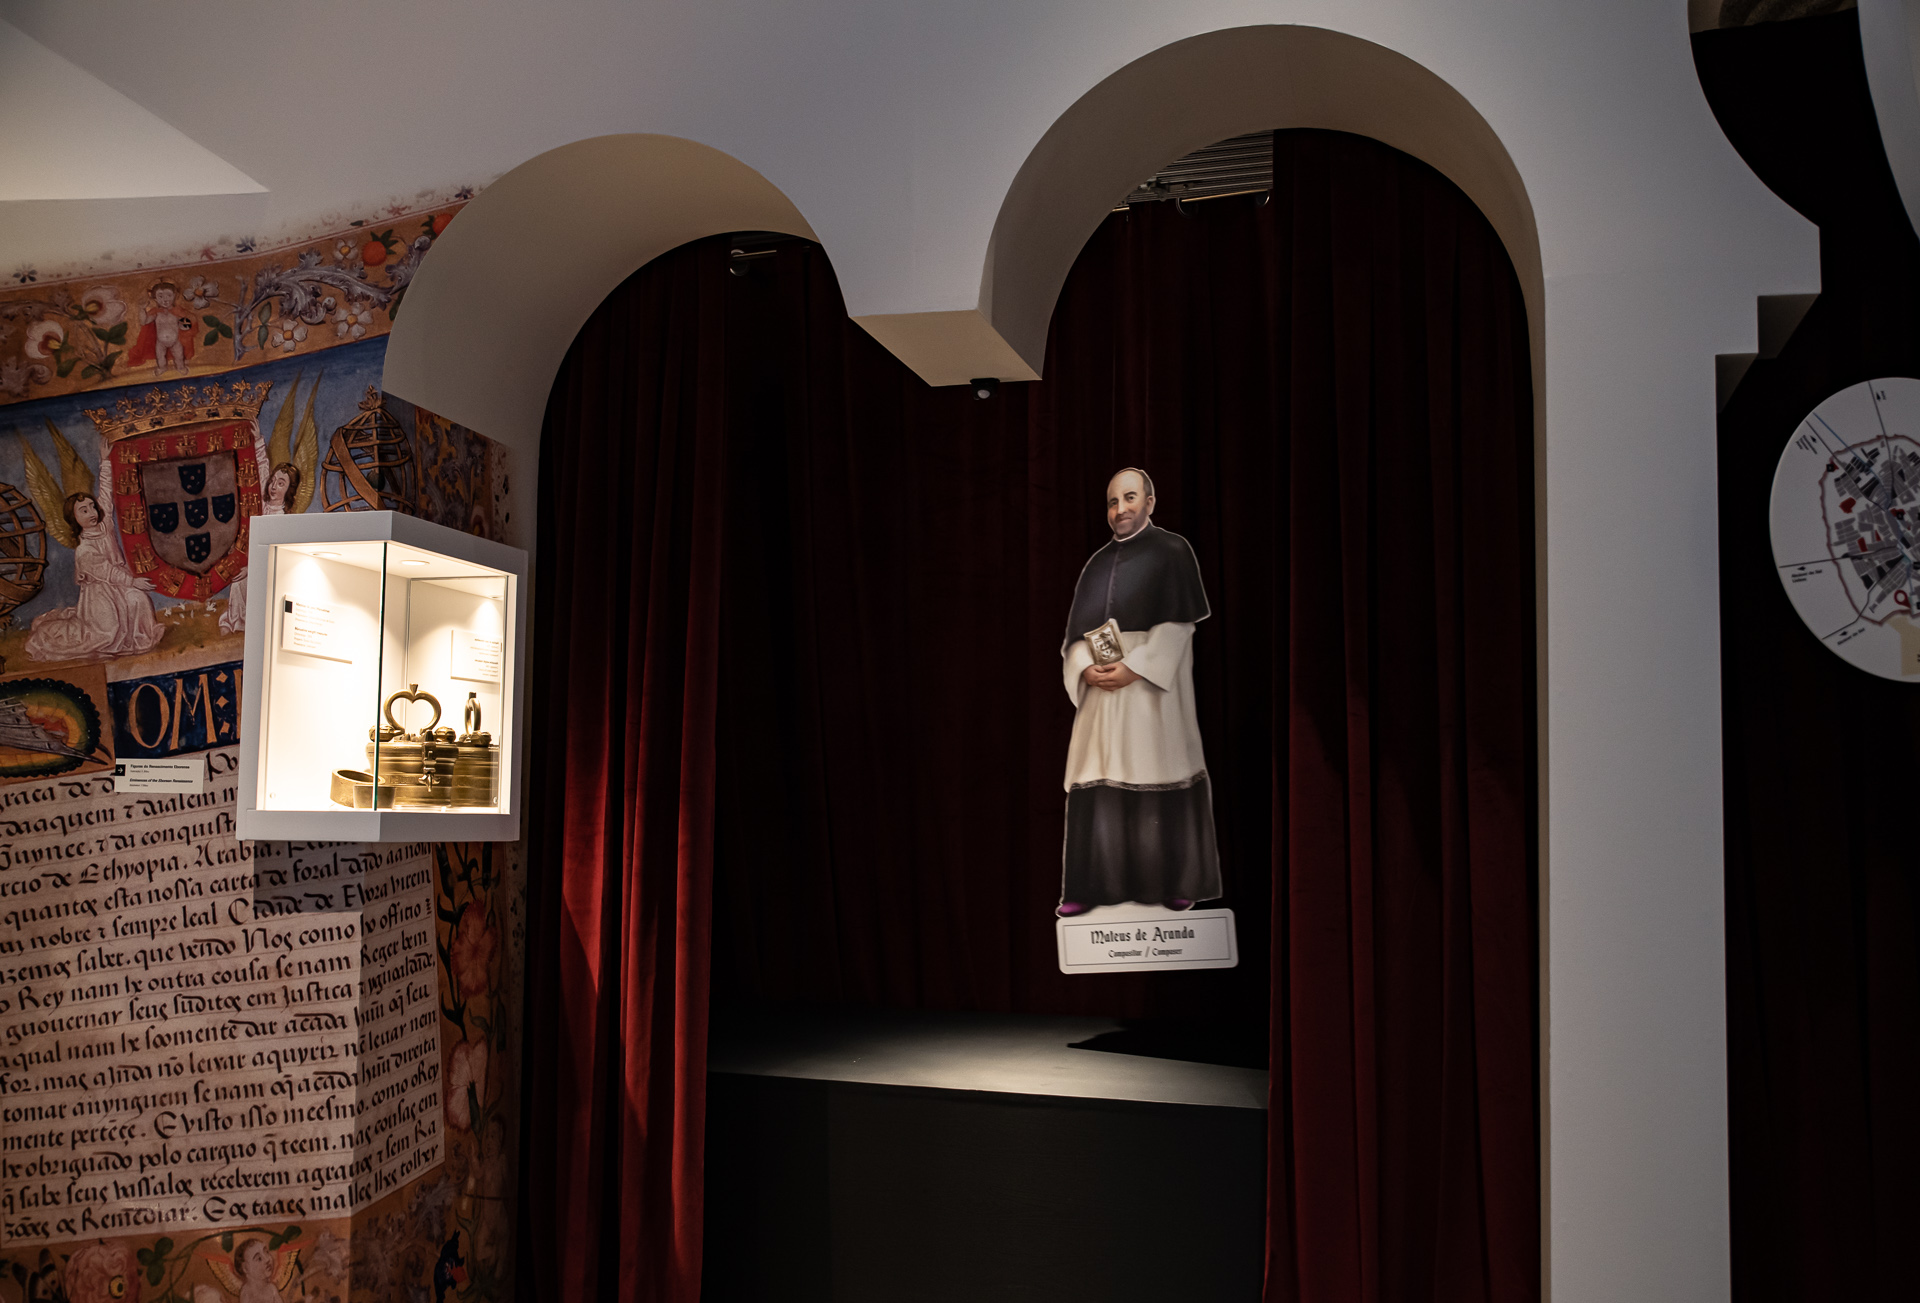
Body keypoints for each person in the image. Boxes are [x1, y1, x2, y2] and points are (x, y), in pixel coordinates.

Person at [1056, 468, 1221, 916]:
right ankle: (1090, 889)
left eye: (1129, 498)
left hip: (1151, 692)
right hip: (1103, 699)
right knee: (1099, 773)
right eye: (1113, 502)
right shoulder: (1095, 564)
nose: (1120, 509)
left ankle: (1174, 883)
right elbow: (1075, 638)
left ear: (1149, 502)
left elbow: (1179, 625)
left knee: (1158, 766)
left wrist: (1135, 668)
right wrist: (1085, 667)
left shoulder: (1173, 550)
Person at [24, 493, 165, 662]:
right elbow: (106, 571)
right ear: (74, 518)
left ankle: (136, 639)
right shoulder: (84, 549)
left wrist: (107, 470)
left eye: (93, 507)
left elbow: (106, 494)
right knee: (108, 631)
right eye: (84, 511)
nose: (91, 513)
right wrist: (133, 582)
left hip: (119, 586)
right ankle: (51, 633)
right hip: (99, 594)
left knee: (139, 598)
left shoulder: (105, 526)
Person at [218, 460, 297, 635]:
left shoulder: (282, 520)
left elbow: (276, 560)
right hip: (252, 566)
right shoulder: (261, 505)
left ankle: (241, 622)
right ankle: (235, 619)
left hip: (270, 575)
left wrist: (250, 569)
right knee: (238, 580)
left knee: (241, 581)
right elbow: (261, 466)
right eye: (273, 481)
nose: (273, 487)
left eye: (281, 484)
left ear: (289, 491)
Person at [127, 280, 195, 377]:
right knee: (160, 357)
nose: (165, 299)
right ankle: (162, 368)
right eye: (160, 296)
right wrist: (142, 309)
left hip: (175, 341)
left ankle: (180, 367)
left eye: (169, 295)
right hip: (160, 342)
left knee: (179, 356)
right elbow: (144, 322)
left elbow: (186, 324)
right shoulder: (156, 313)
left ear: (174, 296)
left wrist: (184, 325)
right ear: (155, 298)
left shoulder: (176, 312)